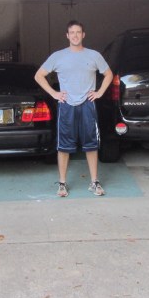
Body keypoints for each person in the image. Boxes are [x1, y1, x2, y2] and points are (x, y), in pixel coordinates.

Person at [35, 20, 114, 197]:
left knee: (91, 145)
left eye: (78, 32)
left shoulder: (94, 55)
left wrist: (100, 92)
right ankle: (62, 184)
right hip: (66, 105)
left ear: (83, 35)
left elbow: (108, 74)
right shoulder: (58, 56)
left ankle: (94, 182)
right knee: (63, 146)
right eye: (72, 32)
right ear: (67, 35)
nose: (75, 35)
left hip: (87, 104)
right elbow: (39, 75)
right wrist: (54, 93)